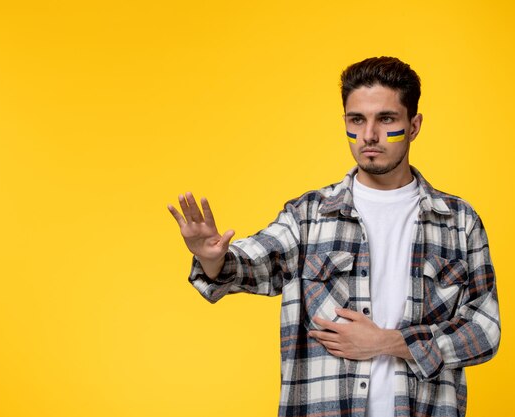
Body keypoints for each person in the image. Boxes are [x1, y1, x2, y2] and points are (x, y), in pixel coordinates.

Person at [167, 57, 500, 417]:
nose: (369, 135)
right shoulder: (308, 215)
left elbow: (484, 331)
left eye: (386, 119)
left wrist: (391, 343)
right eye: (357, 120)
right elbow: (251, 264)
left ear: (414, 125)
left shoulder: (459, 221)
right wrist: (213, 258)